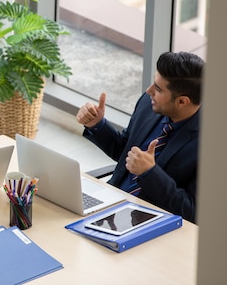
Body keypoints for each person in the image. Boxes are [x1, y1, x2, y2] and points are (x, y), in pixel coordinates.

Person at [76, 51, 204, 222]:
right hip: (109, 203)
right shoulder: (148, 103)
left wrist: (150, 173)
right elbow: (125, 151)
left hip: (148, 221)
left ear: (182, 101)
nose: (148, 91)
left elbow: (191, 211)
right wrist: (97, 125)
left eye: (158, 89)